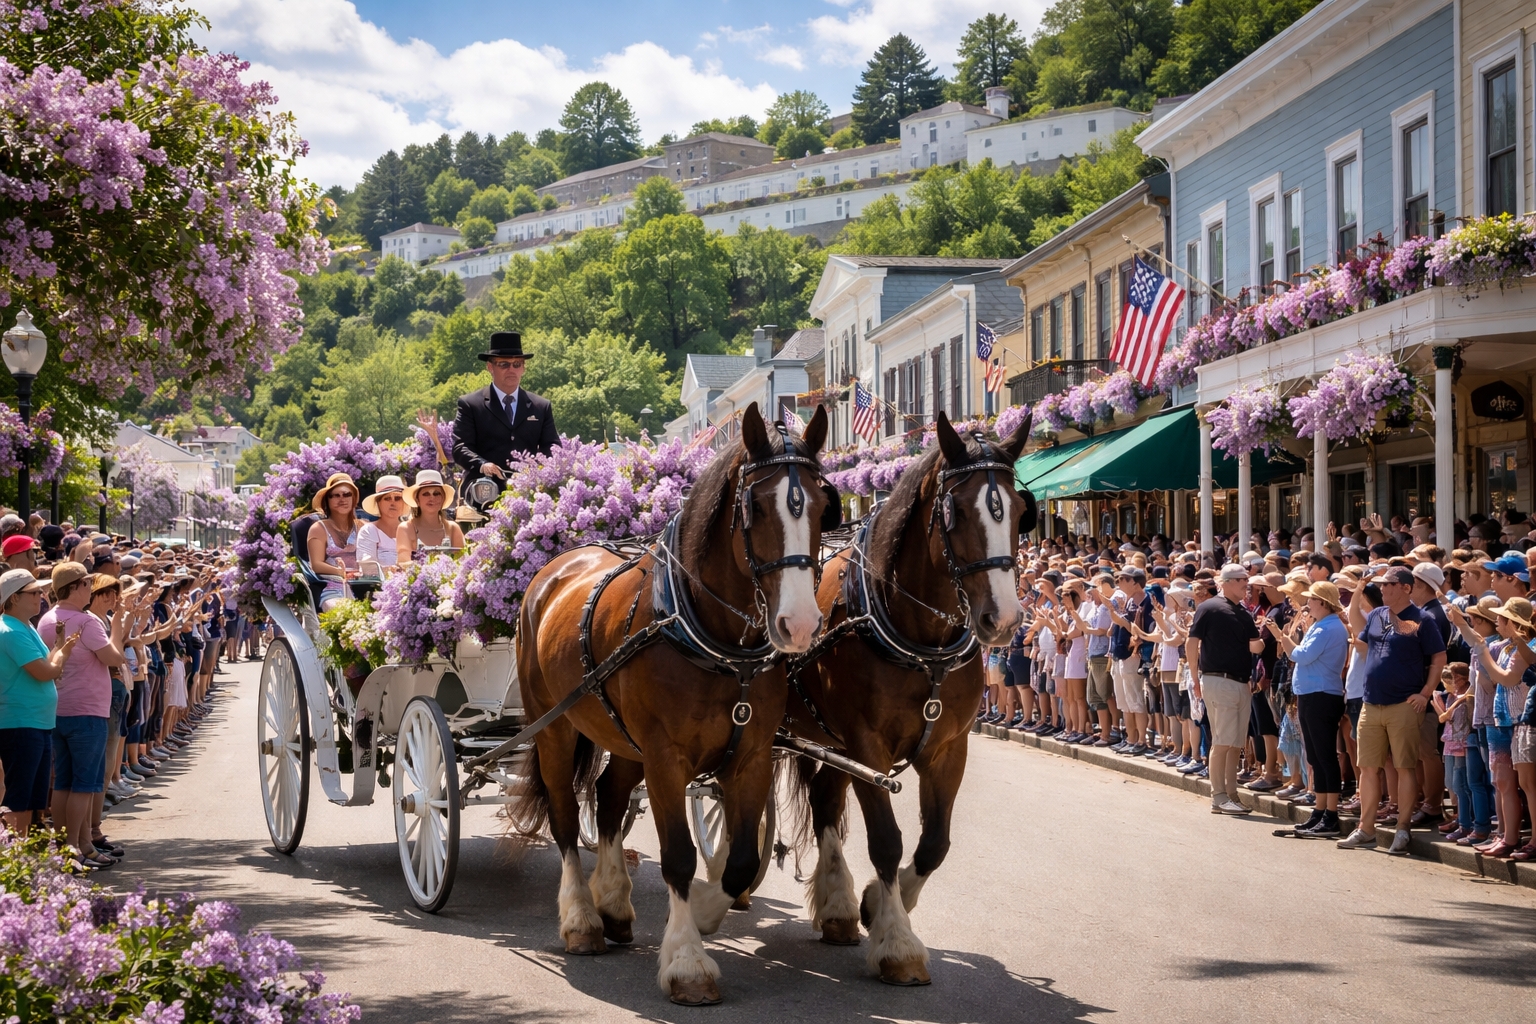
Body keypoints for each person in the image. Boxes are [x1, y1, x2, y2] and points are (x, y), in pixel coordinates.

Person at [1338, 566, 1447, 855]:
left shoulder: (1423, 620)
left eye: (1389, 584)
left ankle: (1402, 830)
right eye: (1382, 585)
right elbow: (1356, 630)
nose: (1383, 589)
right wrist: (1359, 590)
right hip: (1371, 703)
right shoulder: (1376, 615)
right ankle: (1366, 829)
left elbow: (1439, 657)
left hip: (1403, 705)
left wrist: (1425, 693)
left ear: (1406, 588)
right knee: (1368, 768)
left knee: (1404, 767)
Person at [38, 562, 131, 869]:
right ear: (76, 587)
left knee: (64, 782)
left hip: (59, 709)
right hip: (87, 711)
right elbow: (114, 658)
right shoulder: (85, 621)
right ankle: (78, 847)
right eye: (87, 583)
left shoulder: (47, 618)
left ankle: (73, 847)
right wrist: (118, 629)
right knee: (84, 784)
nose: (90, 588)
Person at [1266, 581, 1349, 837]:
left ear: (1322, 602)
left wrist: (1284, 638)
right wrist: (1285, 638)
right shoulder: (1322, 625)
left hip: (1322, 694)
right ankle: (1320, 811)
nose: (1307, 604)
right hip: (1312, 694)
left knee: (1324, 756)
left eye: (1311, 599)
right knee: (1315, 756)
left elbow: (1300, 656)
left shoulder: (1328, 627)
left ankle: (1331, 816)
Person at [0, 568, 76, 835]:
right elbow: (47, 672)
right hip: (20, 724)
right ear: (13, 599)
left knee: (33, 798)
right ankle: (15, 859)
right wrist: (62, 655)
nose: (41, 596)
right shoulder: (9, 631)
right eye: (33, 592)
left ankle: (25, 860)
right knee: (19, 798)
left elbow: (48, 667)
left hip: (36, 723)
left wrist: (58, 650)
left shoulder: (25, 626)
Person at [1186, 564, 1264, 815]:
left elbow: (1256, 647)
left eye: (1247, 580)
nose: (1246, 584)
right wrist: (1195, 678)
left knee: (1234, 743)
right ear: (1227, 581)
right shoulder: (1207, 607)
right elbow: (1192, 642)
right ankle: (1218, 796)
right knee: (1222, 741)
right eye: (1242, 580)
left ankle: (1230, 794)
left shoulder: (1243, 612)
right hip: (1217, 680)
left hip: (1242, 682)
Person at [452, 331, 558, 482]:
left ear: (523, 368)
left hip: (529, 489)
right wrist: (483, 465)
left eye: (516, 364)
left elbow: (552, 447)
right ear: (490, 367)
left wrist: (540, 471)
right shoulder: (470, 404)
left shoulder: (541, 406)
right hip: (484, 488)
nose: (511, 370)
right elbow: (460, 448)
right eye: (504, 364)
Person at [306, 473, 362, 610]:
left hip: (364, 588)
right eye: (336, 495)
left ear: (353, 499)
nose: (342, 499)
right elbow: (316, 564)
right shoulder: (318, 528)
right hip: (334, 589)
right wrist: (340, 572)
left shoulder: (363, 526)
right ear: (327, 500)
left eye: (347, 494)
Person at [396, 470, 464, 560]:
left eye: (436, 493)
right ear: (417, 500)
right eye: (426, 494)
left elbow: (463, 562)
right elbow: (403, 563)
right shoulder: (406, 528)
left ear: (443, 498)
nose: (432, 497)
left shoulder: (453, 528)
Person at [357, 475, 407, 572]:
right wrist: (391, 570)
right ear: (378, 502)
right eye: (387, 498)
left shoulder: (413, 530)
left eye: (397, 498)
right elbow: (367, 567)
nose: (393, 503)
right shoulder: (369, 530)